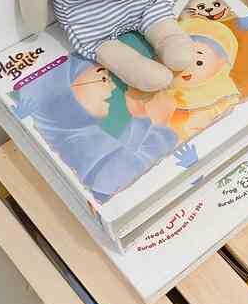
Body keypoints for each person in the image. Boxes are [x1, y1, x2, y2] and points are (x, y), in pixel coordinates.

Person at [12, 53, 177, 204]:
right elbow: (139, 174)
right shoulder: (87, 149)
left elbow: (127, 157)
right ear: (63, 90)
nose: (112, 87)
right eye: (103, 78)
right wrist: (160, 125)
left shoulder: (75, 140)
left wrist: (142, 121)